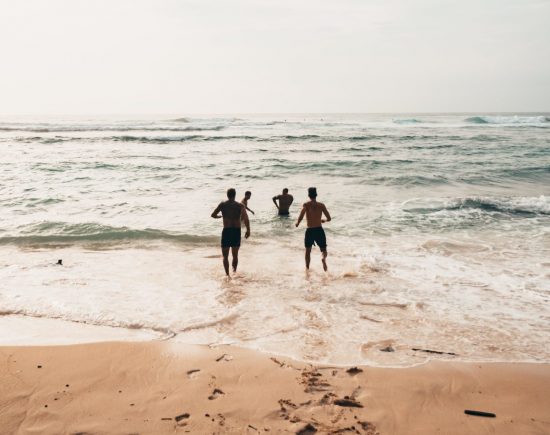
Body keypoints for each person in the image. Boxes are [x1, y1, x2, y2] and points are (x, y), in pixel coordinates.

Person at [211, 188, 250, 276]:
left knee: (225, 256)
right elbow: (246, 218)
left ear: (227, 195)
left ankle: (227, 275)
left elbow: (213, 215)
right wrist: (248, 230)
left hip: (227, 231)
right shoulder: (240, 205)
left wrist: (219, 217)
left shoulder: (222, 204)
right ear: (235, 195)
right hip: (236, 231)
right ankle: (234, 273)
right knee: (235, 255)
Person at [295, 187, 331, 271]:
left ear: (308, 195)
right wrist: (323, 220)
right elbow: (329, 218)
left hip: (310, 230)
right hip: (319, 230)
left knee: (308, 250)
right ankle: (323, 259)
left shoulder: (306, 205)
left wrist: (298, 223)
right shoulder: (321, 205)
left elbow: (302, 214)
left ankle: (307, 269)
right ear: (316, 195)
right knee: (324, 249)